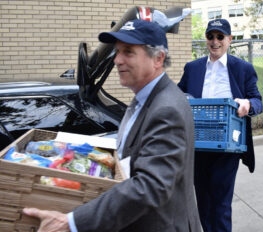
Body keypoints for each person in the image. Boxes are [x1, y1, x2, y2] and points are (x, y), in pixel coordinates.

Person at [23, 19, 201, 232]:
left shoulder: (166, 108)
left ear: (158, 58)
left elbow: (149, 187)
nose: (117, 60)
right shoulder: (144, 98)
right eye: (117, 52)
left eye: (128, 52)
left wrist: (71, 223)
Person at [178, 19, 263, 232]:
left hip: (227, 146)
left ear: (229, 40)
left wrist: (247, 104)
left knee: (221, 205)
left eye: (220, 37)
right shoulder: (192, 68)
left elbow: (257, 101)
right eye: (210, 37)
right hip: (199, 144)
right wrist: (184, 98)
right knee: (203, 204)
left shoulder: (242, 68)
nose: (215, 42)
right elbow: (179, 94)